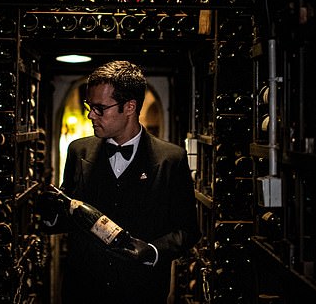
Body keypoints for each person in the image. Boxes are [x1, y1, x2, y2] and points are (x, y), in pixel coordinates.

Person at [38, 60, 201, 304]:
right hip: (82, 292)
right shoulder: (77, 151)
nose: (90, 115)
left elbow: (188, 231)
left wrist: (153, 250)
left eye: (99, 108)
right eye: (89, 106)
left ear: (129, 107)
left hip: (141, 292)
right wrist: (50, 214)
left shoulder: (172, 159)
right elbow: (68, 219)